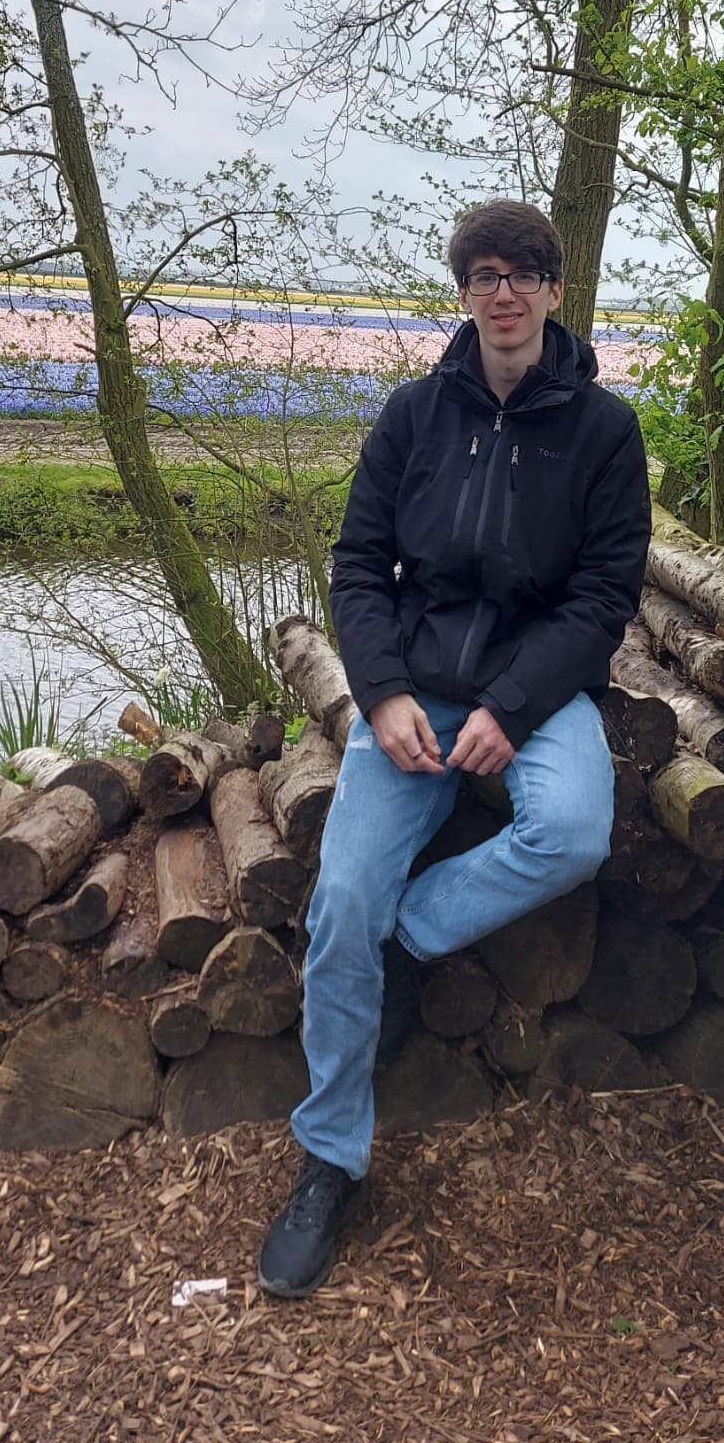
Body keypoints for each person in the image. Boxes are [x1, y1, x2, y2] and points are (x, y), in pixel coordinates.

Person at [256, 199, 650, 1299]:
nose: (506, 291)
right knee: (338, 901)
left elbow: (604, 597)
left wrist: (516, 706)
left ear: (556, 292)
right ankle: (331, 1156)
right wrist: (379, 694)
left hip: (541, 691)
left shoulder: (606, 433)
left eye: (525, 271)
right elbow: (357, 567)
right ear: (464, 292)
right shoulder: (414, 416)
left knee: (571, 830)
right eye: (485, 273)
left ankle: (414, 936)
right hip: (413, 700)